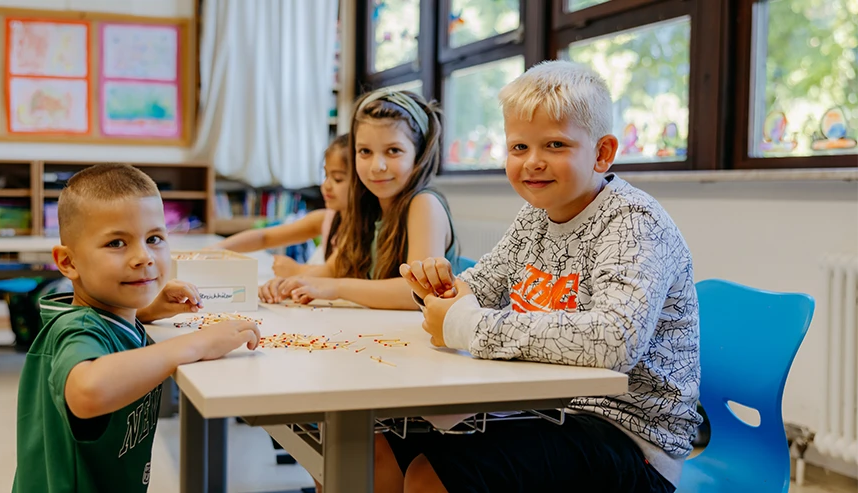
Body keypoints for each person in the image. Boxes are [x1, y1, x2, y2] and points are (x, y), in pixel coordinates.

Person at [387, 60, 701, 493]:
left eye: (555, 145)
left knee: (432, 475)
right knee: (382, 447)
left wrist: (463, 322)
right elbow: (483, 286)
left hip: (630, 439)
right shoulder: (536, 215)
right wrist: (441, 288)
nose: (533, 162)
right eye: (519, 148)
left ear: (602, 153)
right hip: (549, 406)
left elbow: (615, 340)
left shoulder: (633, 222)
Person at [12, 163, 261, 493]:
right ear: (69, 263)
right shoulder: (73, 332)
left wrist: (144, 310)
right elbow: (88, 391)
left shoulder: (108, 314)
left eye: (155, 238)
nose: (143, 257)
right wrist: (195, 345)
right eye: (116, 243)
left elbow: (105, 330)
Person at [258, 90, 458, 310]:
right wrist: (288, 285)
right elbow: (332, 270)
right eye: (365, 151)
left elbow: (418, 292)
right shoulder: (365, 206)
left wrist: (335, 287)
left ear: (419, 155)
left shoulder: (424, 204)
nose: (377, 166)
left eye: (393, 151)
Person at [211, 134, 350, 277]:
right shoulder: (327, 219)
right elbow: (264, 236)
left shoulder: (359, 230)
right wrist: (217, 249)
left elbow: (333, 272)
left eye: (338, 179)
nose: (326, 185)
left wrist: (297, 271)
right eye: (326, 176)